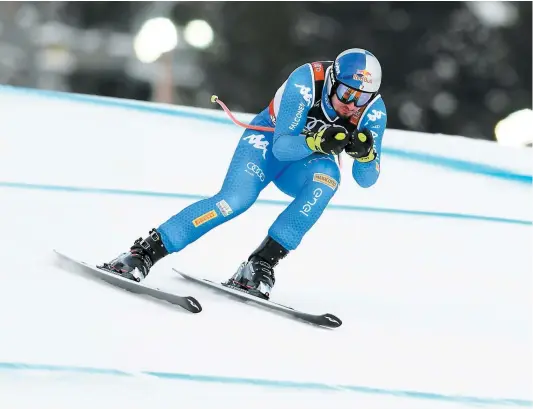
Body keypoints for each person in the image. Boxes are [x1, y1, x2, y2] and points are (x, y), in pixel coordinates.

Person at [99, 48, 387, 300]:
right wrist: (317, 141)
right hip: (270, 143)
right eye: (346, 93)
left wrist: (366, 154)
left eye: (361, 98)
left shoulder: (372, 112)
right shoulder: (307, 81)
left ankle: (260, 264)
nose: (351, 104)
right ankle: (143, 253)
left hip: (306, 161)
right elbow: (284, 147)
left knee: (328, 180)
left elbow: (366, 179)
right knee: (235, 200)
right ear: (333, 83)